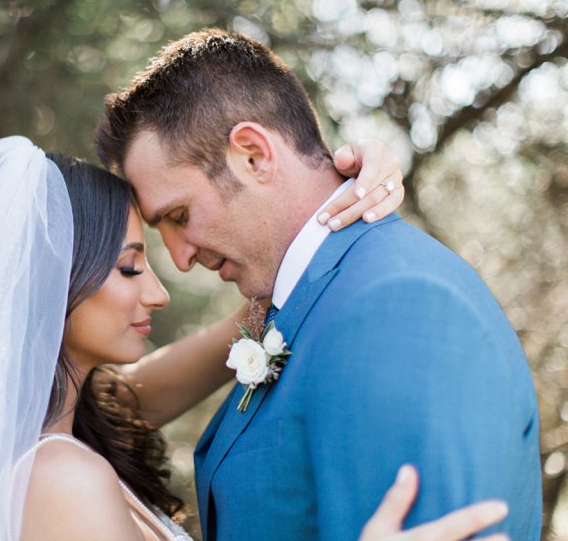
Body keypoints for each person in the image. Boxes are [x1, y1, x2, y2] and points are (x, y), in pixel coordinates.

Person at [0, 137, 510, 541]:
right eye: (131, 266)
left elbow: (244, 328)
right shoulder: (58, 478)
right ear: (50, 283)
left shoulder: (39, 436)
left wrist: (330, 203)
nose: (160, 289)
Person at [95, 29, 542, 541]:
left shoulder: (397, 308)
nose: (180, 256)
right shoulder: (302, 308)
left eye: (179, 215)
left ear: (253, 155)